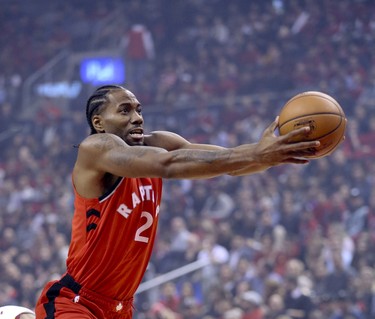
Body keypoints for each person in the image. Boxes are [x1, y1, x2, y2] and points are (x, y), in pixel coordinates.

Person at [35, 84, 321, 319]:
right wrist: (257, 155)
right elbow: (168, 164)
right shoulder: (95, 149)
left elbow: (230, 162)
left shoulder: (158, 141)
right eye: (124, 110)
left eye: (138, 110)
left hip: (120, 307)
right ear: (98, 122)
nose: (137, 117)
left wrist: (274, 154)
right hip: (75, 301)